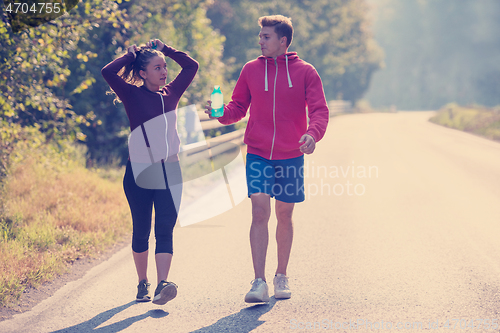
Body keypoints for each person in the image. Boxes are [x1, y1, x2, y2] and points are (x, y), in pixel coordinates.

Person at [205, 15, 329, 302]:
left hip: (291, 155)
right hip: (258, 153)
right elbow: (237, 108)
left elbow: (320, 110)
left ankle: (281, 275)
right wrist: (218, 111)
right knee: (260, 212)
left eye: (266, 37)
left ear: (282, 41)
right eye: (260, 36)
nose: (260, 41)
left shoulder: (306, 72)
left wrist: (312, 134)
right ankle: (258, 281)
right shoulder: (250, 69)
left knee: (285, 214)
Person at [102, 39, 198, 304]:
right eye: (157, 67)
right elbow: (108, 73)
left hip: (170, 170)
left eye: (164, 66)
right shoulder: (132, 94)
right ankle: (143, 282)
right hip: (140, 172)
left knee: (165, 229)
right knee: (141, 230)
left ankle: (162, 285)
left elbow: (191, 66)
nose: (164, 71)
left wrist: (167, 49)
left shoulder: (171, 93)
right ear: (143, 73)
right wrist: (128, 56)